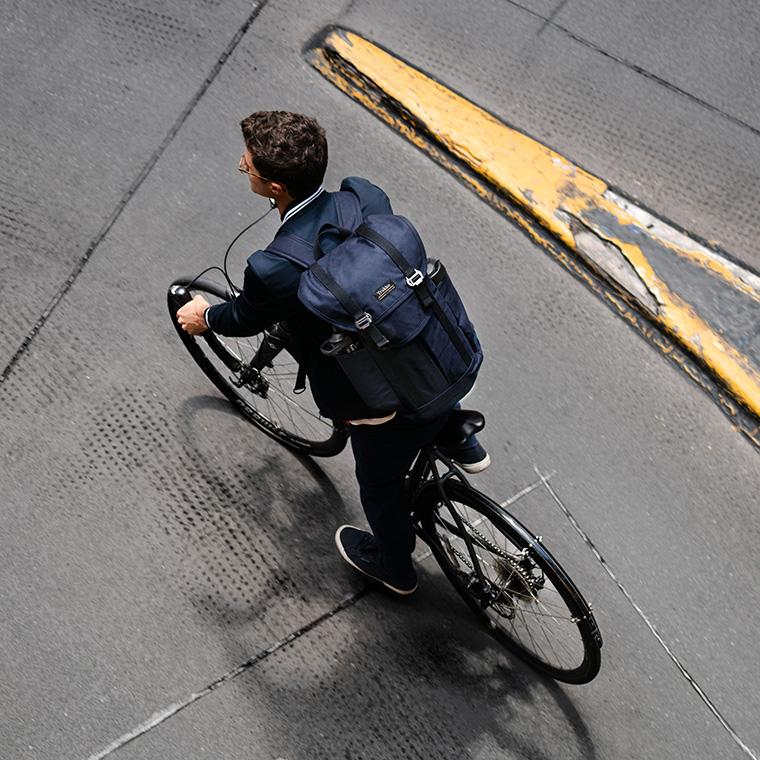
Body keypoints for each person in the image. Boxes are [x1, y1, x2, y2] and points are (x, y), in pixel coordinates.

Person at [176, 111, 489, 595]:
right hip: (443, 351)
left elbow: (244, 318)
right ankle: (457, 436)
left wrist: (205, 317)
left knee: (379, 487)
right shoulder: (364, 198)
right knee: (400, 329)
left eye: (247, 164)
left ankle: (395, 568)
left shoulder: (274, 268)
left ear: (275, 187)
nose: (242, 165)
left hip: (381, 401)